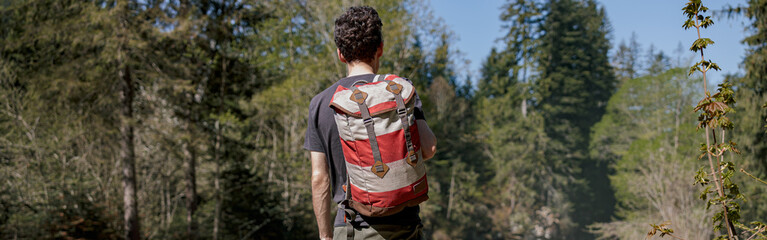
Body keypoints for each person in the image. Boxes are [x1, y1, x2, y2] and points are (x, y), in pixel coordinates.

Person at [304, 6, 437, 240]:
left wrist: (325, 236)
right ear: (380, 49)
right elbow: (429, 148)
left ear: (340, 54)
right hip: (405, 227)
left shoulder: (322, 103)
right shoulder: (401, 92)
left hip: (351, 228)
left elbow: (319, 178)